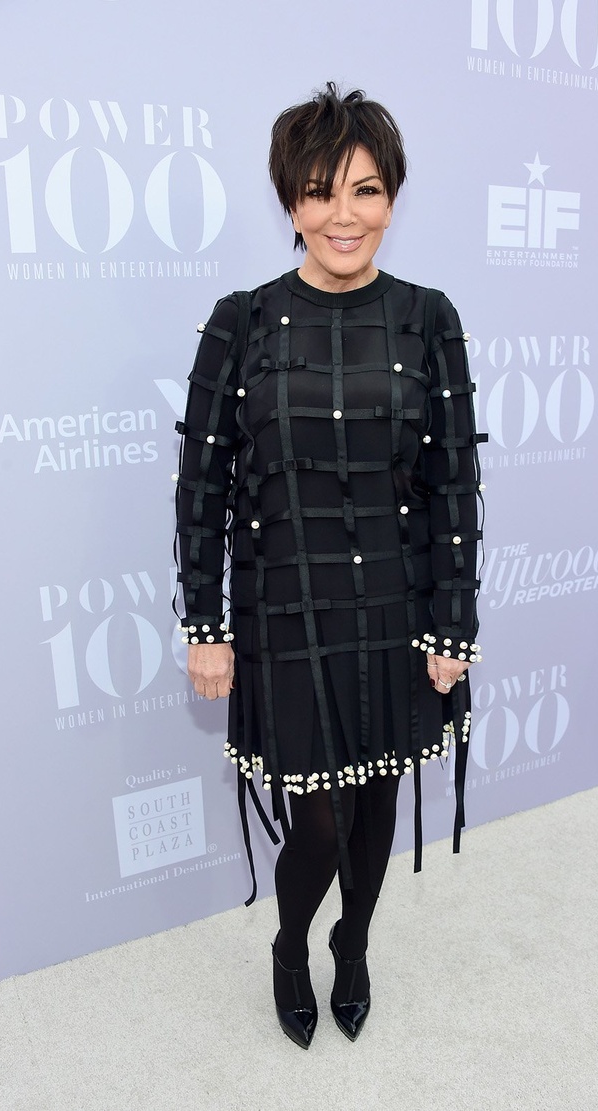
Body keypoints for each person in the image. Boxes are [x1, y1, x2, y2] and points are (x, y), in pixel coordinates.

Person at [174, 83, 485, 1050]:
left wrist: (453, 626)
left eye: (364, 190)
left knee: (376, 802)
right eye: (318, 192)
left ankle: (353, 945)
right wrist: (206, 626)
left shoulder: (429, 318)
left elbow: (453, 484)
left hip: (395, 604)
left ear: (392, 195)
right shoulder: (241, 322)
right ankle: (290, 944)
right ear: (289, 202)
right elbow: (204, 489)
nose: (342, 215)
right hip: (284, 609)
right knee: (315, 823)